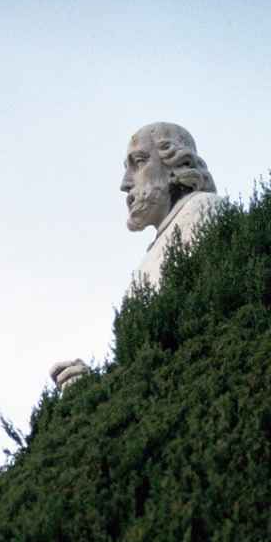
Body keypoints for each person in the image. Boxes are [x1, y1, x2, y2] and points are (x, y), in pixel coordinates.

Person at [51, 121, 222, 392]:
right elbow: (145, 359)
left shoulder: (202, 209)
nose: (125, 183)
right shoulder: (149, 258)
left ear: (175, 167)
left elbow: (196, 322)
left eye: (139, 162)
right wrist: (92, 388)